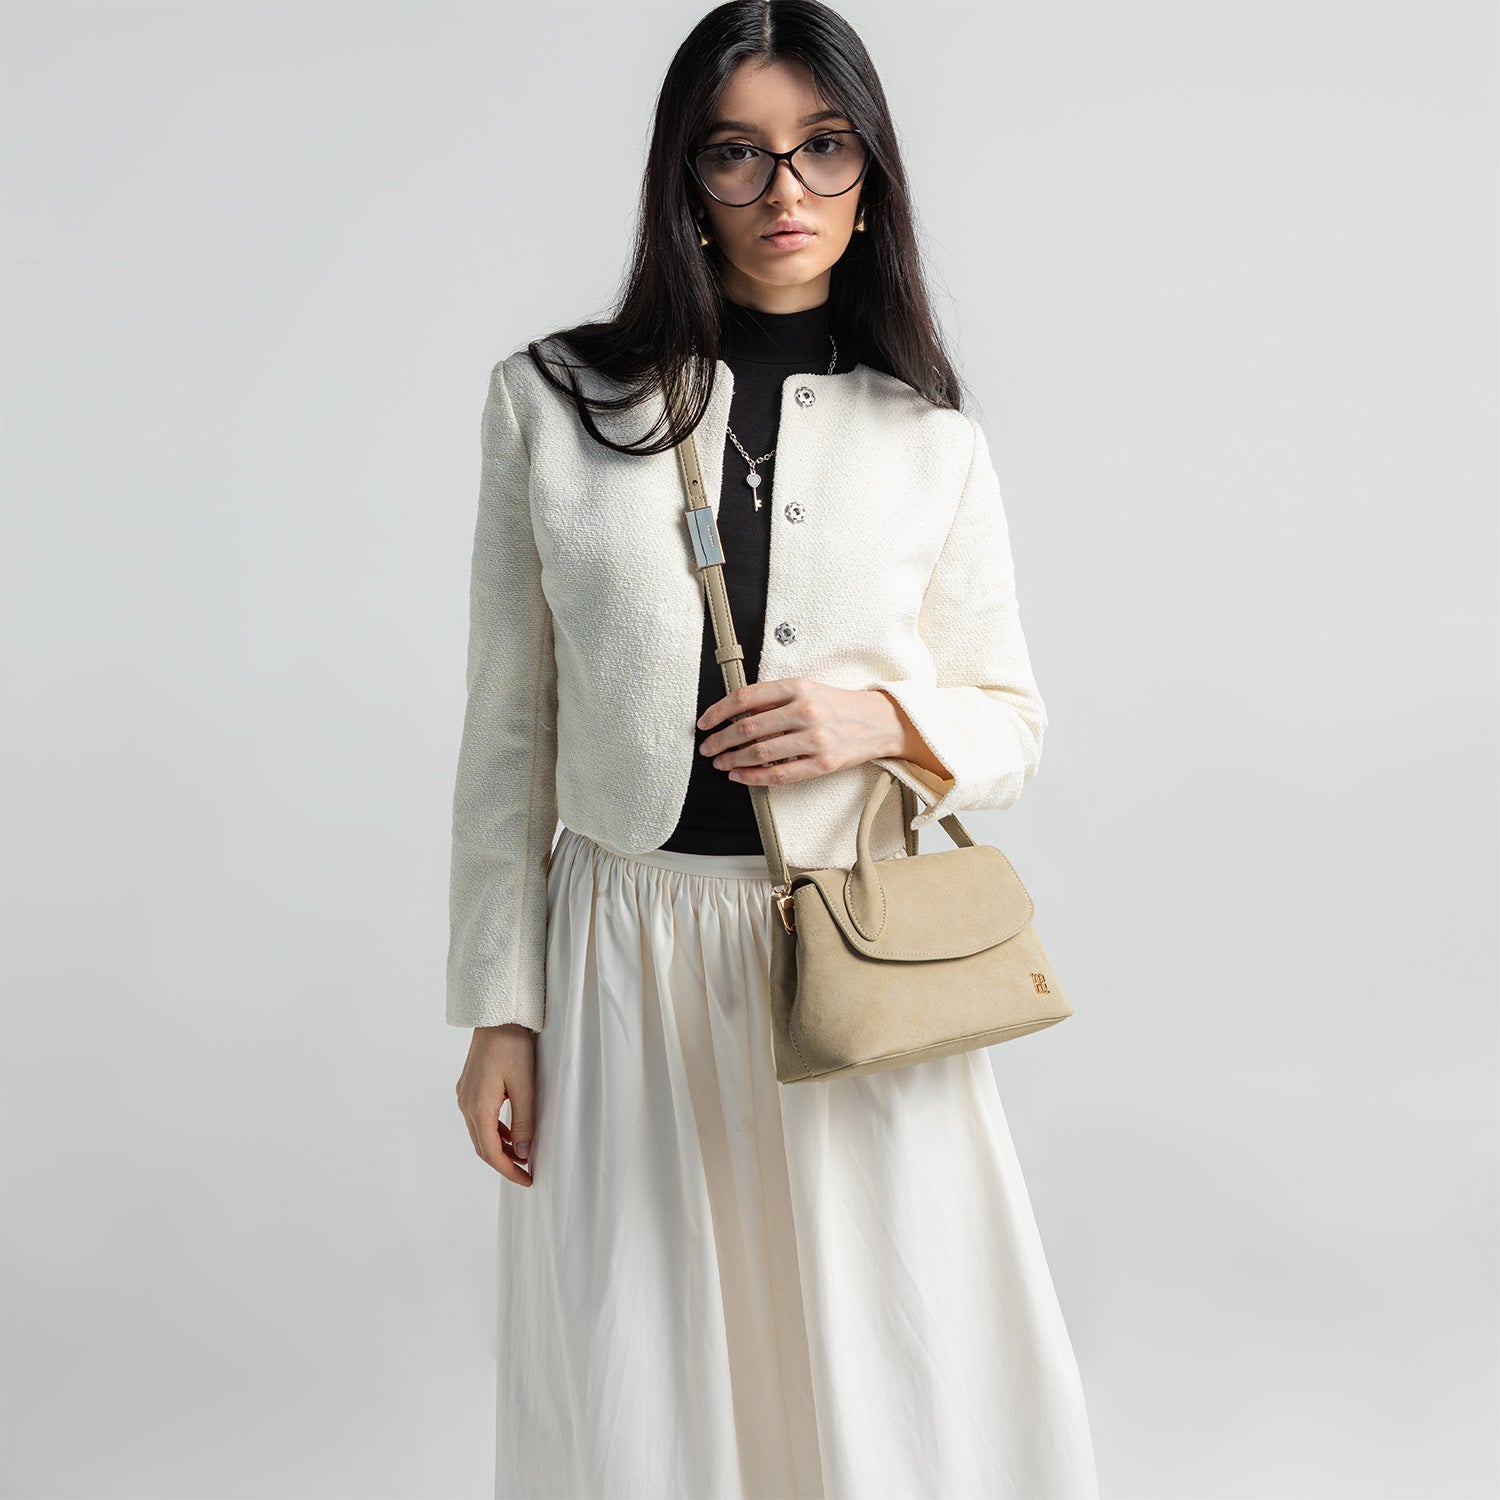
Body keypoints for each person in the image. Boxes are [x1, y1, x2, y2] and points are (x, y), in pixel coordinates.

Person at [448, 3, 1101, 1496]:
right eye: (737, 154)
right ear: (685, 178)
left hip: (847, 957)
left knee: (885, 1354)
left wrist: (876, 719)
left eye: (823, 147)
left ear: (871, 173)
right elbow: (506, 735)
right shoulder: (551, 403)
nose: (785, 191)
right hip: (621, 953)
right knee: (644, 1355)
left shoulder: (929, 437)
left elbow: (1010, 721)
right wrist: (499, 1011)